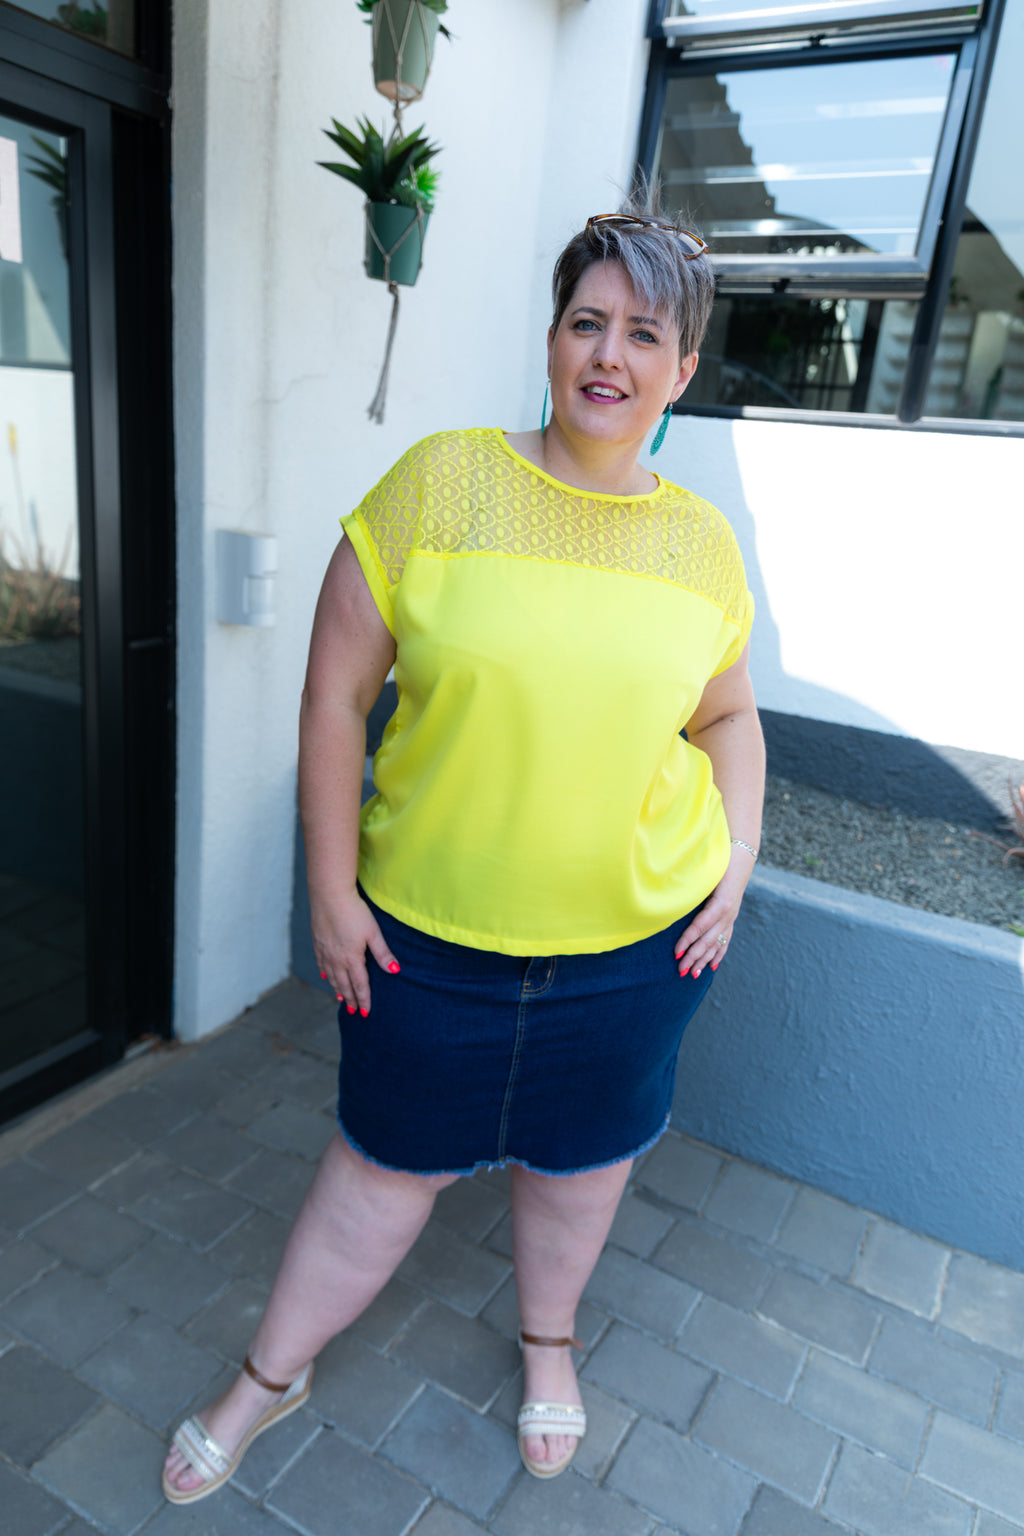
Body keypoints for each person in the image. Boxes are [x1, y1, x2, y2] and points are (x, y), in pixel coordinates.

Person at [162, 198, 765, 1501]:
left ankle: (548, 1343)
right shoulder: (442, 484)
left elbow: (725, 713)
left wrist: (742, 854)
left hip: (632, 948)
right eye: (585, 322)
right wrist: (328, 889)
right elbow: (334, 696)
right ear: (552, 339)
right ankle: (275, 1369)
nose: (608, 354)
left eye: (642, 333)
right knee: (379, 1177)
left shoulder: (703, 546)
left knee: (580, 1173)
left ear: (682, 368)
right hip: (426, 945)